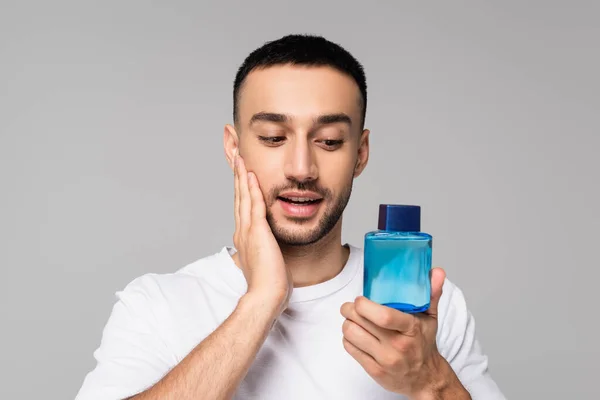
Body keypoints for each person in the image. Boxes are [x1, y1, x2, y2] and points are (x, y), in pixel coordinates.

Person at [75, 34, 505, 400]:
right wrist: (261, 301)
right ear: (234, 147)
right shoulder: (156, 305)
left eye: (330, 141)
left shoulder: (426, 310)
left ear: (361, 153)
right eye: (273, 137)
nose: (302, 168)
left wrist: (432, 381)